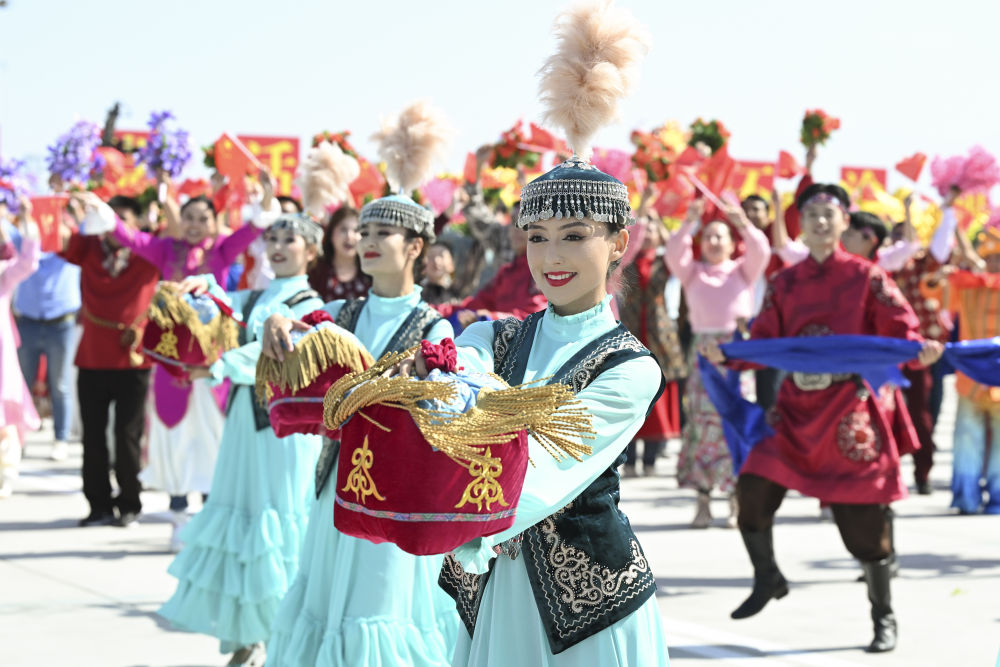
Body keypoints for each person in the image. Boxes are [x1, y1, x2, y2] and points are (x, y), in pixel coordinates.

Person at [701, 183, 943, 653]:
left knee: (864, 528)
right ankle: (768, 577)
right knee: (752, 492)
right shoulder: (785, 283)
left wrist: (920, 350)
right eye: (810, 214)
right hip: (793, 408)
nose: (819, 222)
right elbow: (765, 340)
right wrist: (727, 354)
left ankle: (883, 615)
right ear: (802, 224)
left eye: (829, 214)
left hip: (847, 408)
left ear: (844, 222)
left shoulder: (866, 276)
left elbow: (901, 330)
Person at [261, 103, 460, 667]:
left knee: (381, 600)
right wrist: (274, 320)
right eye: (364, 232)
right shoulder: (339, 312)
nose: (367, 241)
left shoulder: (434, 327)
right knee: (327, 595)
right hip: (336, 479)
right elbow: (291, 327)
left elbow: (449, 400)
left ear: (415, 247)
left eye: (383, 233)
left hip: (395, 489)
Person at [158, 212, 325, 666]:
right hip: (241, 425)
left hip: (284, 431)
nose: (278, 246)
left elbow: (277, 353)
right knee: (242, 521)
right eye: (273, 238)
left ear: (311, 251)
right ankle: (249, 637)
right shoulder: (254, 295)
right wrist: (201, 286)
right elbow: (222, 304)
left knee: (279, 526)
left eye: (290, 239)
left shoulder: (312, 305)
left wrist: (218, 366)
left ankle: (282, 640)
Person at [106, 191, 271, 547]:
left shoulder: (223, 249)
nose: (195, 225)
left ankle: (213, 516)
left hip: (213, 360)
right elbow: (130, 238)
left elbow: (254, 228)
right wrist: (104, 215)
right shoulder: (166, 250)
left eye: (202, 218)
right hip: (173, 361)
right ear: (180, 221)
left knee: (214, 436)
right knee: (175, 436)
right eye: (189, 218)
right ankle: (179, 516)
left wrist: (266, 197)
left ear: (214, 222)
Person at [666, 198, 770, 528]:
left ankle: (736, 499)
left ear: (731, 243)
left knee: (736, 421)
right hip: (703, 353)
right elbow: (673, 253)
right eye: (708, 236)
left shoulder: (743, 271)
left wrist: (743, 224)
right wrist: (689, 223)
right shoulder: (693, 273)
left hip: (736, 354)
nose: (713, 241)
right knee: (701, 423)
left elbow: (761, 251)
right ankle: (703, 502)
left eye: (720, 236)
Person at [62, 193, 161, 527]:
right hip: (92, 357)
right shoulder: (89, 246)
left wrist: (163, 191)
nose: (110, 225)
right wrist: (72, 201)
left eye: (119, 219)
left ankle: (130, 502)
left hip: (134, 360)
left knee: (127, 436)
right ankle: (98, 505)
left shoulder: (148, 250)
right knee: (92, 437)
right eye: (106, 217)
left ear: (136, 224)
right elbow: (59, 238)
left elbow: (175, 234)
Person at [619, 213, 686, 477]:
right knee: (632, 396)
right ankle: (630, 461)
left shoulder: (665, 262)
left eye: (652, 230)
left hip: (660, 336)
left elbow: (677, 250)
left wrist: (662, 226)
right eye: (644, 230)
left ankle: (650, 459)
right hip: (633, 332)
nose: (647, 235)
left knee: (658, 399)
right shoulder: (626, 260)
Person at [14, 199, 80, 463]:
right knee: (21, 384)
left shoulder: (72, 246)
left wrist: (69, 204)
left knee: (60, 385)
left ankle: (60, 438)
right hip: (28, 322)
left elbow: (83, 229)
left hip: (61, 324)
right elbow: (10, 237)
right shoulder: (25, 242)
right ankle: (18, 439)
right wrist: (24, 215)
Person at [946, 225, 1000, 514]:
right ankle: (967, 497)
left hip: (980, 379)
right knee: (967, 438)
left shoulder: (967, 283)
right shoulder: (966, 285)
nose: (992, 263)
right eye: (989, 258)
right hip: (971, 379)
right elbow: (939, 290)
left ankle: (994, 498)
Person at [0, 199, 41, 497]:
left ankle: (6, 470)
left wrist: (26, 222)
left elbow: (28, 262)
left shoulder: (3, 275)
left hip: (1, 356)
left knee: (5, 412)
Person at [307, 205, 370, 302]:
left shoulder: (371, 271)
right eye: (343, 229)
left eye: (356, 230)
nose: (349, 236)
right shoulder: (315, 269)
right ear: (331, 233)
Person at [422, 240, 460, 305]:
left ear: (451, 264)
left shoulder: (458, 295)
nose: (436, 261)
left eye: (441, 256)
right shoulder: (416, 292)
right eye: (431, 256)